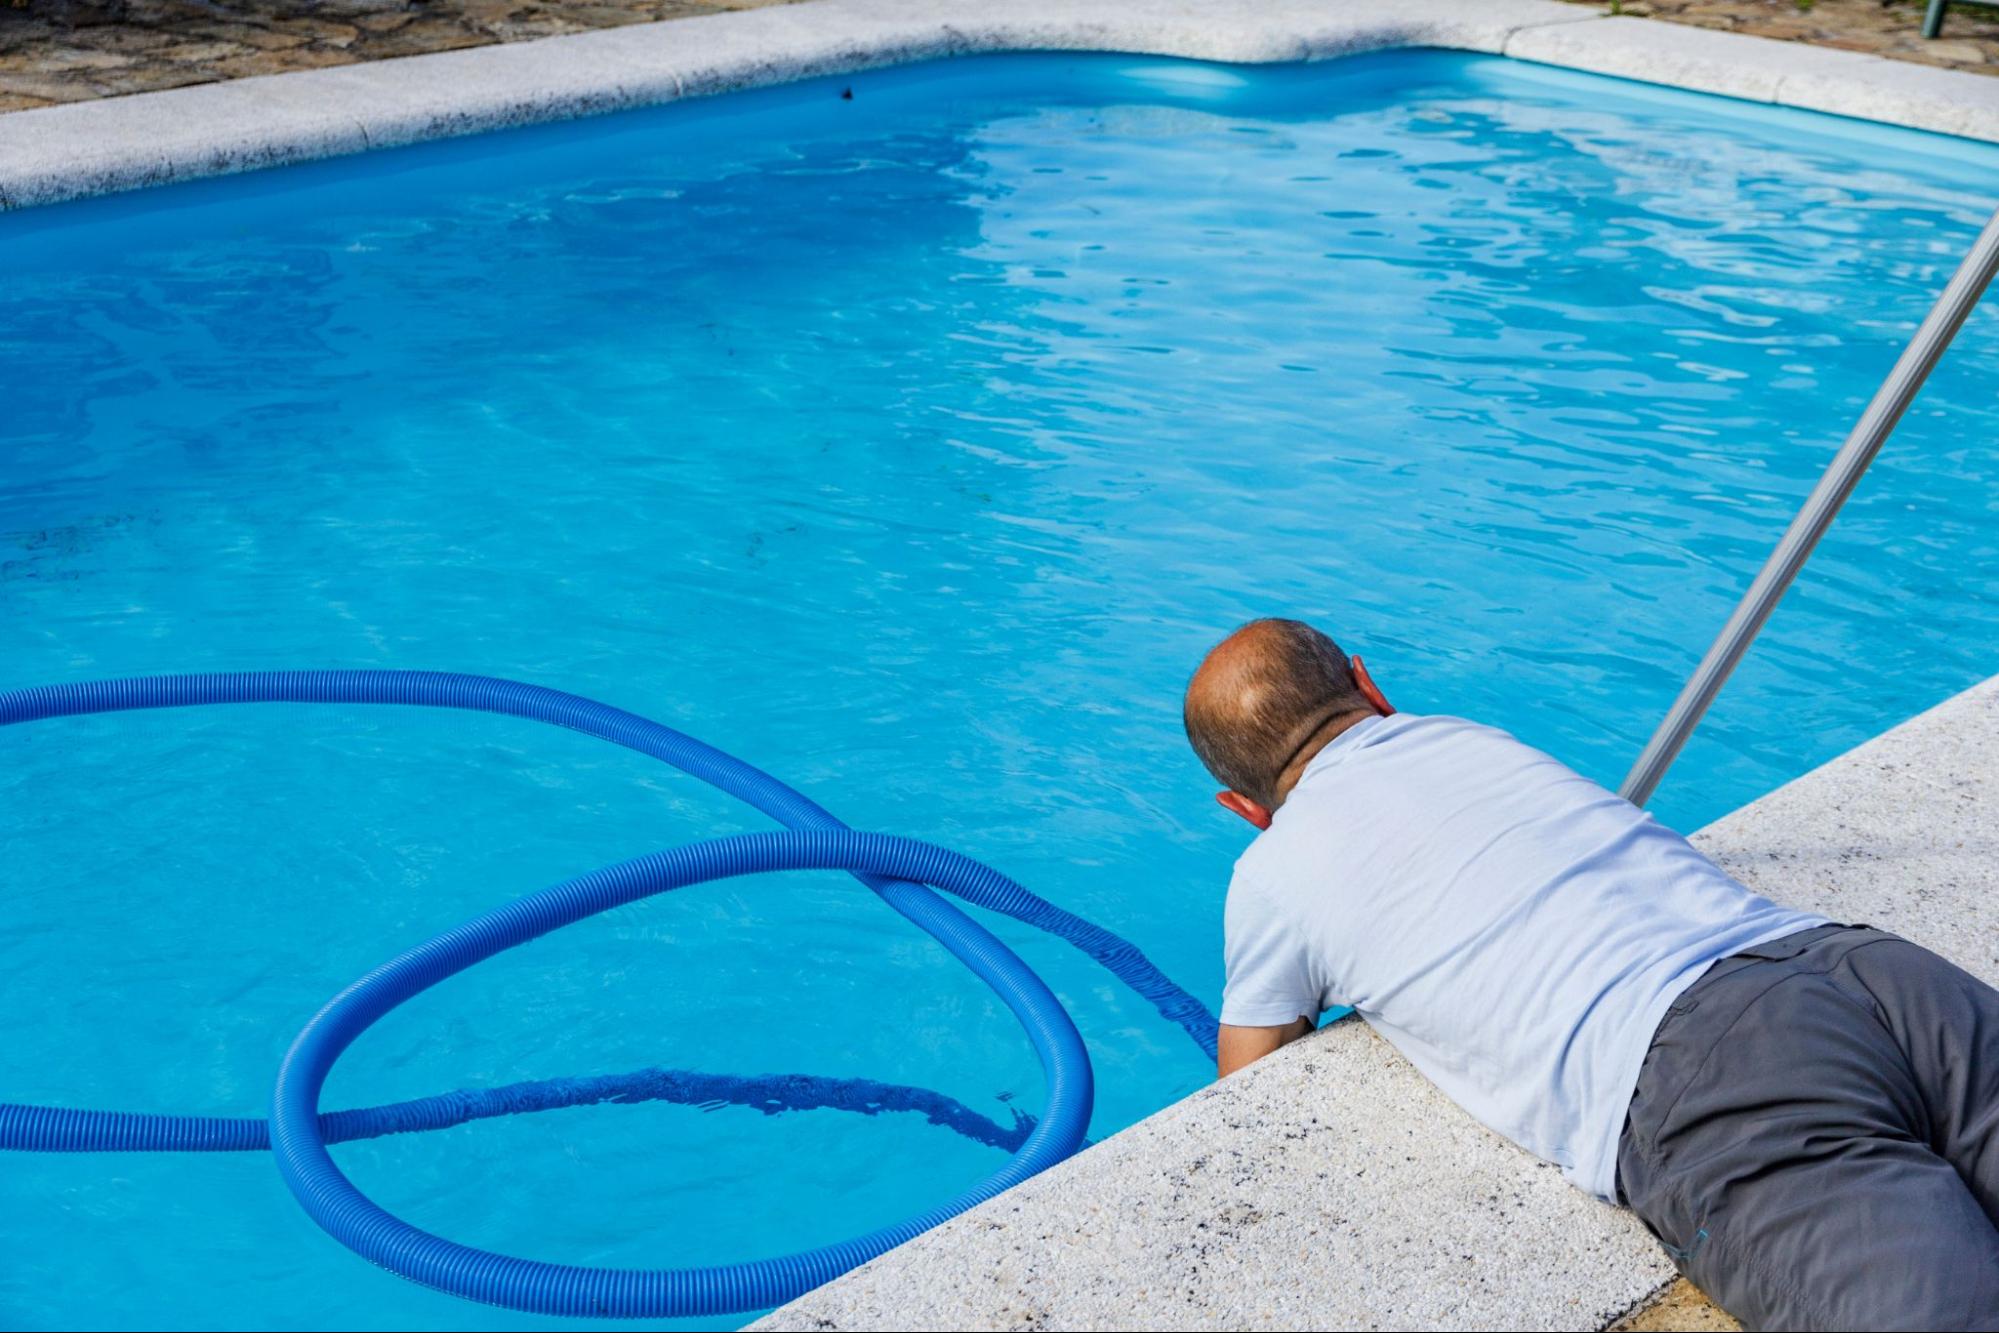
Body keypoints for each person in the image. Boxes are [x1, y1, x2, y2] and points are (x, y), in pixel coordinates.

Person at [1183, 617, 1999, 1331]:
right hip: (1861, 972)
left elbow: (1244, 1093)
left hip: (1703, 1077)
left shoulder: (1271, 870)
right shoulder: (1464, 735)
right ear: (1367, 682)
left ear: (1240, 806)